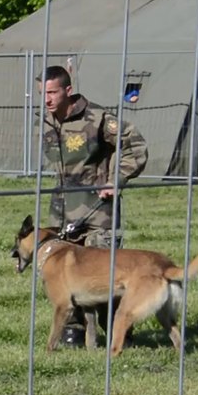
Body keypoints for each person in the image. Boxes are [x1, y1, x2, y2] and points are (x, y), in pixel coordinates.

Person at [40, 64, 148, 346]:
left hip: (98, 212)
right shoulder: (49, 120)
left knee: (106, 275)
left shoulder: (98, 118)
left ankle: (119, 332)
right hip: (63, 212)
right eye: (43, 93)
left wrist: (115, 179)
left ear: (68, 90)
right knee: (64, 274)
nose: (47, 99)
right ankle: (72, 331)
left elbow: (135, 146)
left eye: (52, 92)